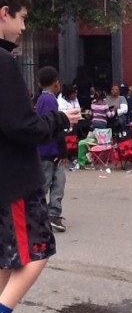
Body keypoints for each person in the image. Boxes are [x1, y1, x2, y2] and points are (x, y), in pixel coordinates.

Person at [0, 0, 81, 313]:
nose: (24, 26)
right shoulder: (3, 62)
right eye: (22, 17)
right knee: (37, 252)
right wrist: (60, 121)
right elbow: (22, 127)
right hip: (13, 181)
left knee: (5, 260)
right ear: (4, 14)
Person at [35, 67, 69, 232]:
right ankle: (41, 214)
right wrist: (63, 149)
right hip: (49, 150)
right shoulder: (50, 101)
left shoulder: (41, 99)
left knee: (57, 182)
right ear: (56, 83)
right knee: (49, 183)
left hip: (47, 150)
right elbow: (56, 127)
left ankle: (53, 214)